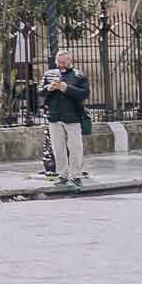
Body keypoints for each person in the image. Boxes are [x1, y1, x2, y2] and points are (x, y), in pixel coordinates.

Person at [41, 52, 92, 189]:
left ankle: (76, 175)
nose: (60, 64)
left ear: (70, 60)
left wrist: (66, 88)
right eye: (59, 61)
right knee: (58, 149)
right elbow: (40, 92)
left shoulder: (78, 75)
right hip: (54, 116)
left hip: (73, 117)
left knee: (75, 147)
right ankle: (62, 175)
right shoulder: (49, 74)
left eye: (63, 62)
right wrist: (49, 88)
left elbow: (84, 94)